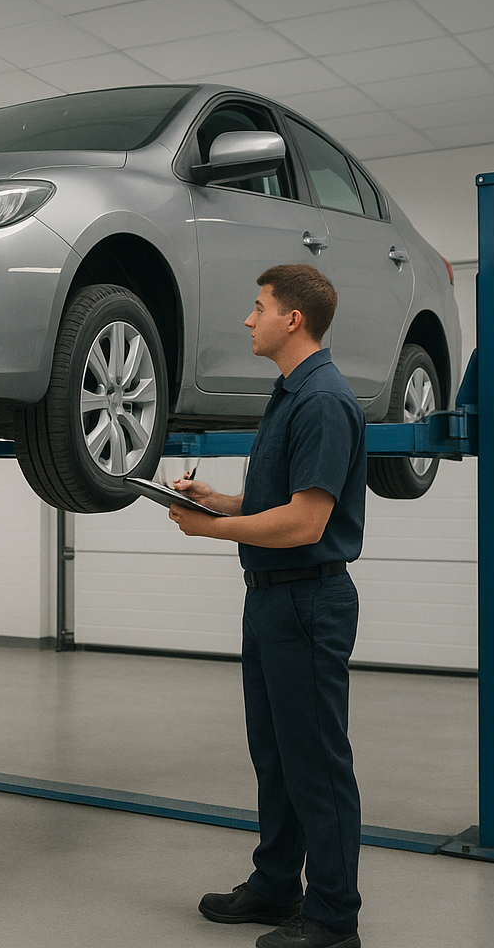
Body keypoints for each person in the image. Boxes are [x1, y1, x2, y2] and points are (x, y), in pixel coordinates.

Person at [166, 263, 366, 948]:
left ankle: (334, 918)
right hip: (273, 601)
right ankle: (277, 885)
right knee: (276, 755)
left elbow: (307, 522)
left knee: (316, 763)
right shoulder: (289, 394)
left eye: (259, 307)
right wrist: (219, 502)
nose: (248, 319)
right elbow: (280, 500)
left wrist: (210, 530)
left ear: (293, 319)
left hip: (307, 600)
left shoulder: (323, 401)